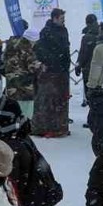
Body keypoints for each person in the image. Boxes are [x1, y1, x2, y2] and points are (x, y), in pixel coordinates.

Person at [33, 8, 72, 138]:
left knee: (62, 100)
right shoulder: (46, 32)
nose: (64, 22)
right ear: (55, 18)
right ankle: (47, 127)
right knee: (49, 101)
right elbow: (42, 50)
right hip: (51, 71)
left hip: (62, 70)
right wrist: (50, 62)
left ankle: (61, 126)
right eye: (62, 19)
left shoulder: (64, 30)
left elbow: (65, 49)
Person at [2, 25, 42, 121]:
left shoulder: (11, 45)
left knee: (12, 113)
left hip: (11, 86)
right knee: (25, 115)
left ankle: (12, 130)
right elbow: (33, 67)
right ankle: (23, 131)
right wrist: (40, 66)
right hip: (24, 88)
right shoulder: (28, 50)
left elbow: (3, 62)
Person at [75, 14, 99, 105]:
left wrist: (78, 65)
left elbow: (83, 54)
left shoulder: (86, 37)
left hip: (88, 70)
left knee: (90, 93)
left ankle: (91, 106)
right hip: (102, 70)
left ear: (87, 23)